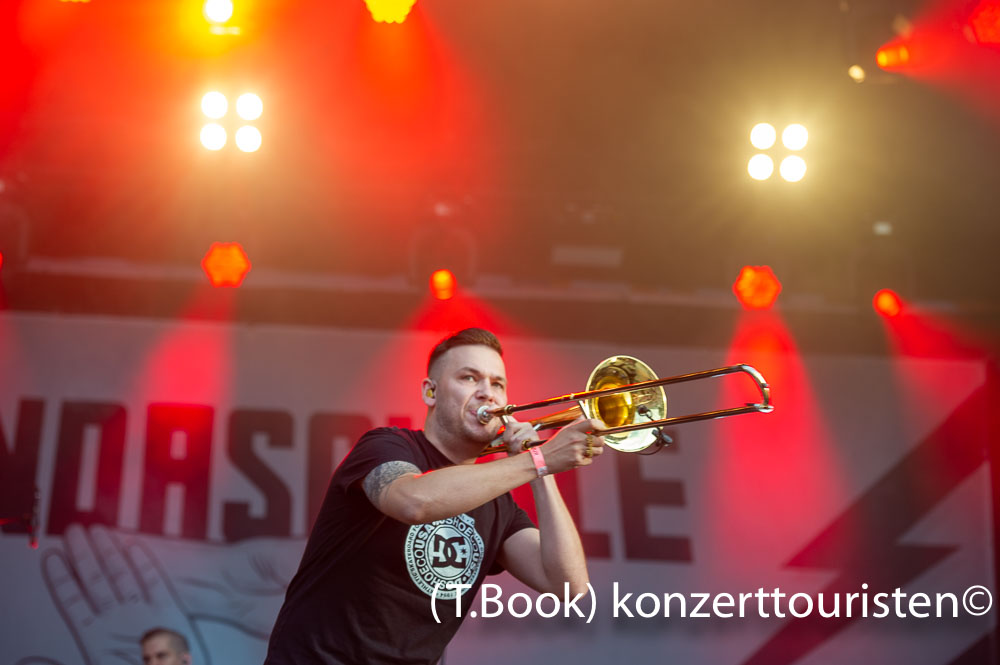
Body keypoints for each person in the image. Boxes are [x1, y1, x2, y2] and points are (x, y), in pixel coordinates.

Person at [263, 328, 605, 665]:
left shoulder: (499, 503)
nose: (487, 394)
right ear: (431, 392)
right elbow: (413, 501)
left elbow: (568, 586)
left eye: (497, 384)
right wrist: (538, 461)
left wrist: (543, 468)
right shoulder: (386, 446)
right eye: (469, 378)